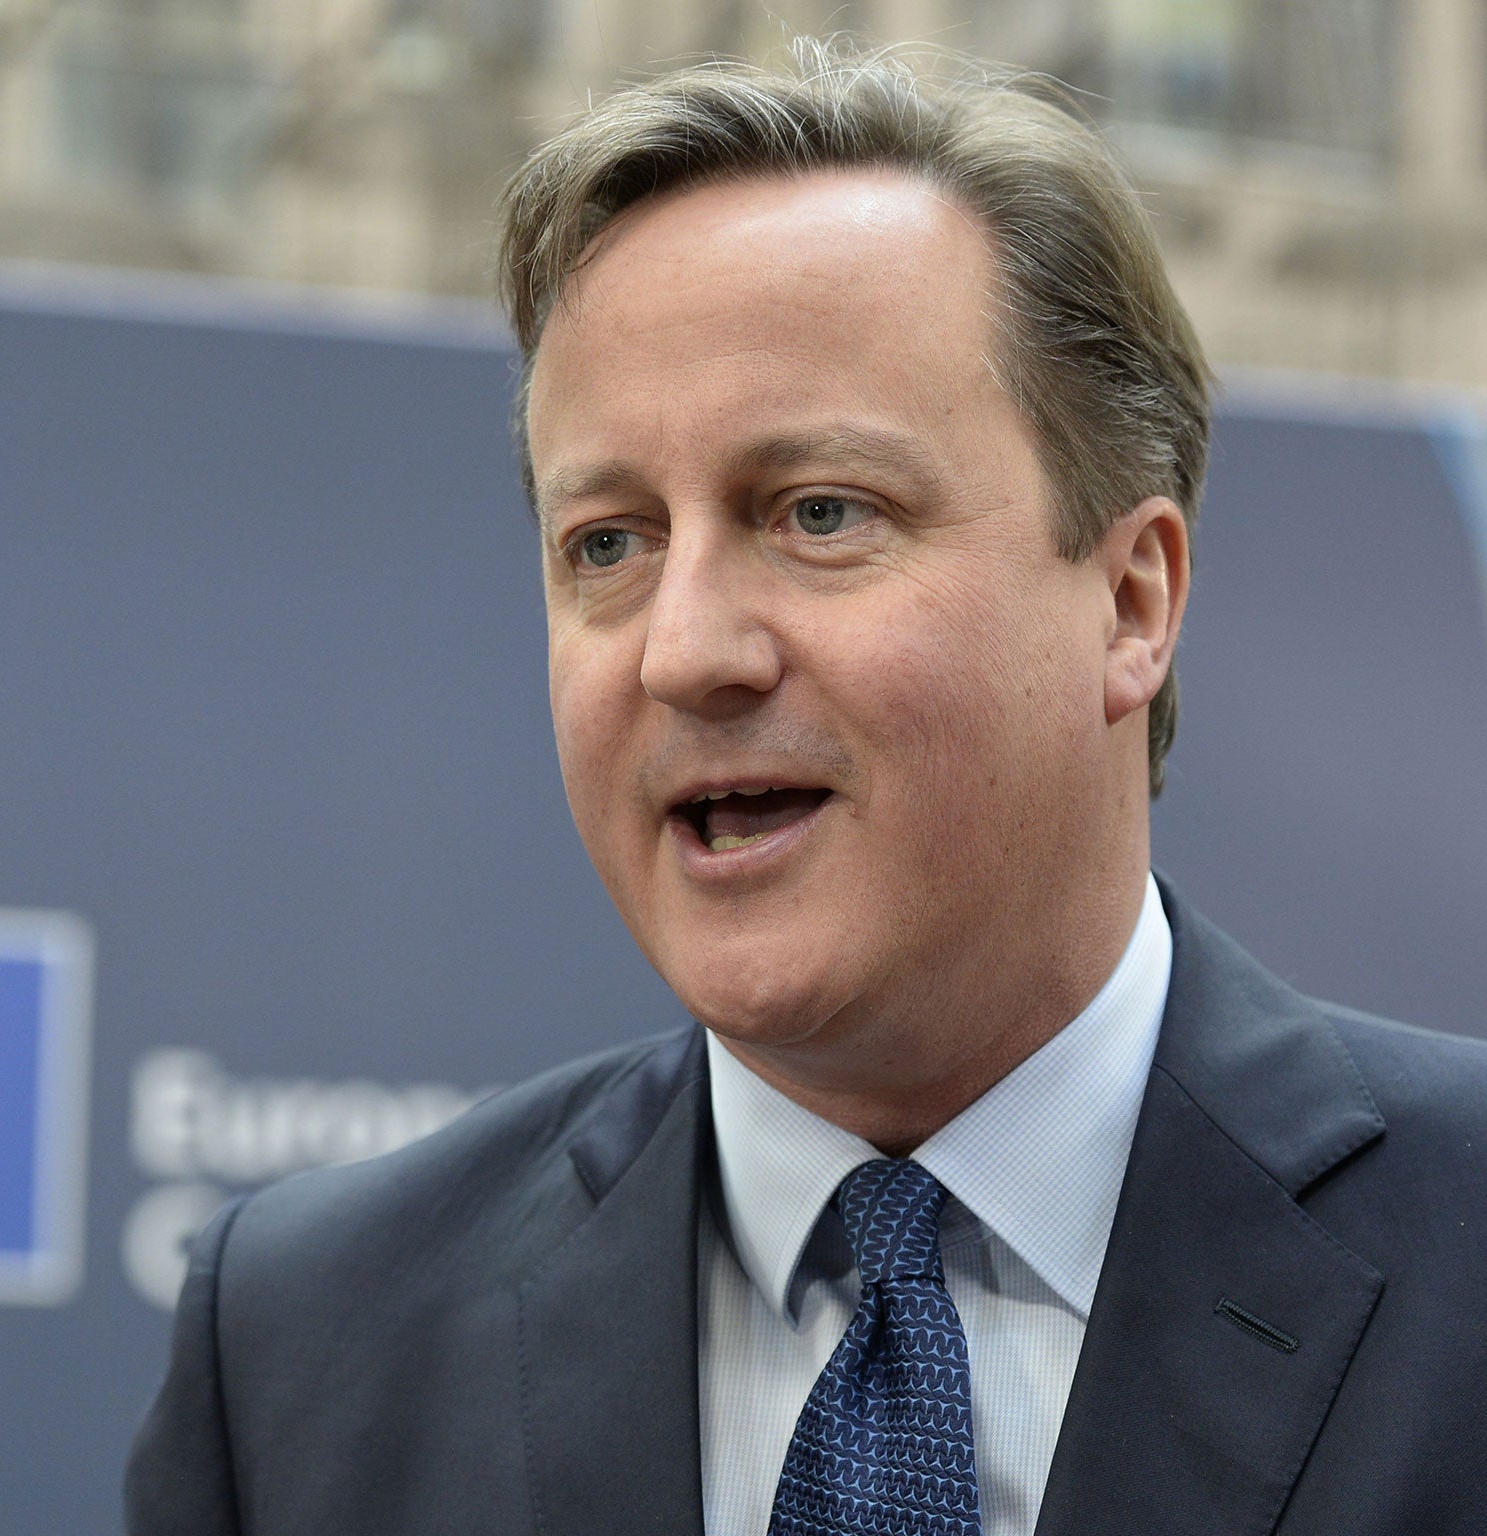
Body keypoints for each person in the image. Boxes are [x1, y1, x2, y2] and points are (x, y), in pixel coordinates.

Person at [126, 40, 1487, 1536]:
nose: (685, 650)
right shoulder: (303, 1346)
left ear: (1131, 601)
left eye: (820, 512)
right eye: (609, 542)